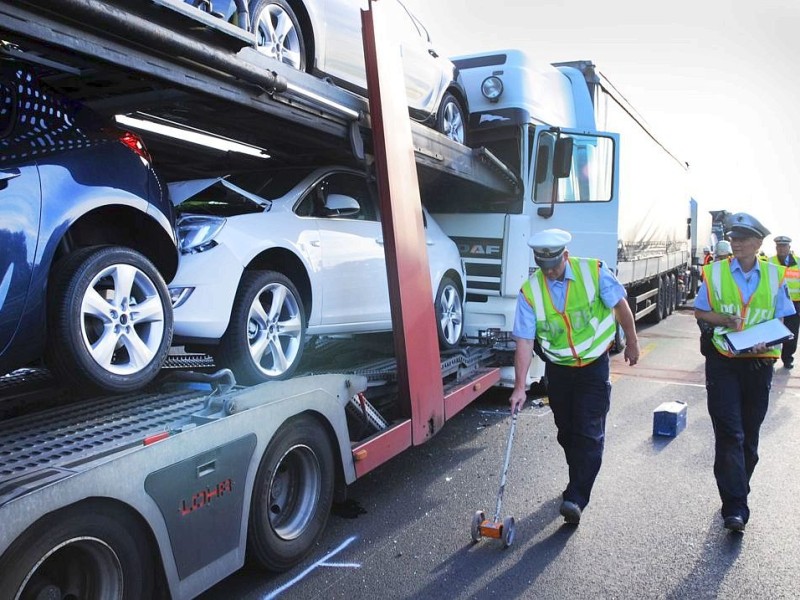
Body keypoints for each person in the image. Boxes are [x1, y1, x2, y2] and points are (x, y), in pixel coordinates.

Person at [509, 228, 639, 525]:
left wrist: (631, 342)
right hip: (560, 370)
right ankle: (576, 478)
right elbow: (525, 342)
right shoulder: (530, 292)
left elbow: (620, 306)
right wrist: (519, 387)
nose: (550, 272)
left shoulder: (593, 271)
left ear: (565, 256)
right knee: (567, 432)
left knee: (589, 432)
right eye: (544, 267)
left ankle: (576, 497)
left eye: (554, 265)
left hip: (594, 365)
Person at [694, 212, 795, 533]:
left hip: (760, 362)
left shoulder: (775, 275)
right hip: (723, 360)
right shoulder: (714, 272)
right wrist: (722, 320)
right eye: (733, 238)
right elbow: (700, 310)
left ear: (757, 243)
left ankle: (738, 489)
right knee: (730, 434)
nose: (735, 243)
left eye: (742, 238)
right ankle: (734, 507)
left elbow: (784, 319)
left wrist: (766, 340)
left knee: (749, 438)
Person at [768, 235, 800, 368]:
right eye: (779, 246)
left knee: (791, 332)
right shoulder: (769, 262)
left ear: (789, 247)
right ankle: (772, 356)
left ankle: (787, 358)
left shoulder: (798, 262)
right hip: (773, 303)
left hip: (794, 304)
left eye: (784, 246)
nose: (781, 249)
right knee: (773, 331)